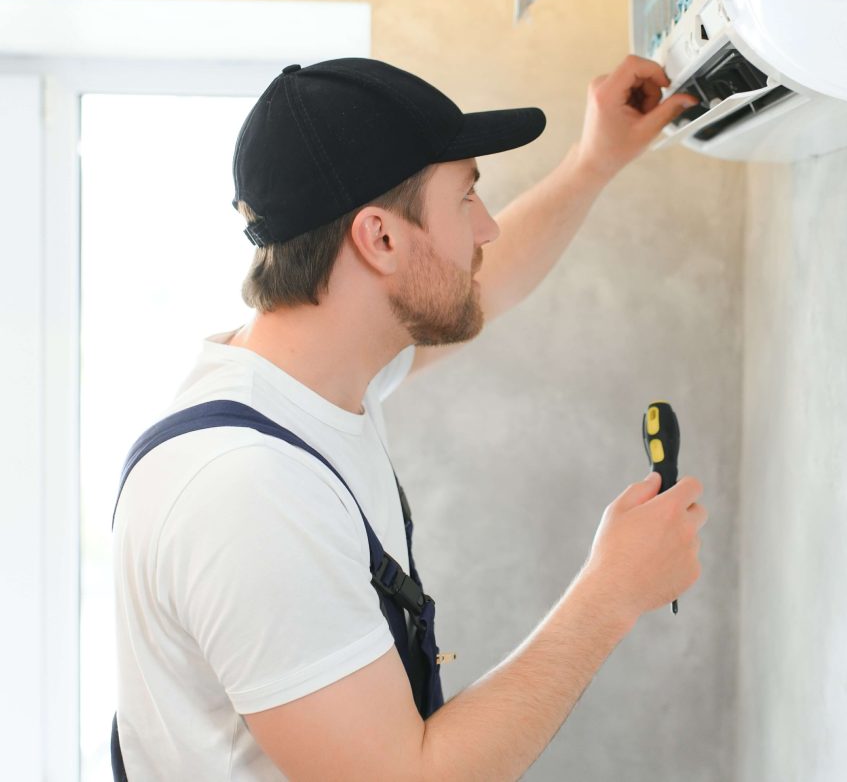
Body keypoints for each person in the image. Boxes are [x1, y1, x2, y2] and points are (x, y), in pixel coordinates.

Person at [112, 55, 707, 780]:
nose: (485, 229)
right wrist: (610, 595)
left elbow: (486, 283)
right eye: (466, 199)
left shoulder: (308, 384)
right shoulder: (248, 492)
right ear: (381, 239)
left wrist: (594, 163)